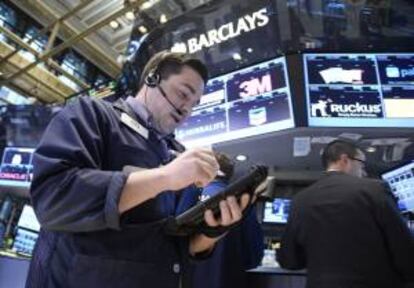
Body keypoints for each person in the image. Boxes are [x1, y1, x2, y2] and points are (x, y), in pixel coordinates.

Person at [27, 51, 252, 288]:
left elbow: (169, 247)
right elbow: (53, 198)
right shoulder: (93, 114)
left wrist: (210, 234)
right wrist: (165, 177)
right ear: (152, 79)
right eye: (183, 94)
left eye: (194, 104)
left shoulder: (174, 151)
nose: (187, 109)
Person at [278, 140, 414, 288]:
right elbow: (403, 247)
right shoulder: (375, 190)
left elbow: (289, 260)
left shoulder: (300, 200)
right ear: (345, 160)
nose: (364, 171)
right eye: (362, 164)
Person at [178, 152, 264, 288]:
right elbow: (253, 257)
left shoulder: (186, 196)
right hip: (229, 280)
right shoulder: (242, 202)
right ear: (229, 175)